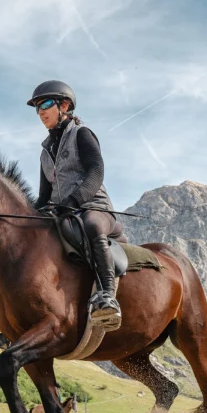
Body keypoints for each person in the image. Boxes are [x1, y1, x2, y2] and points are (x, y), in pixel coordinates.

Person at [28, 80, 121, 327]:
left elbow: (96, 171)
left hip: (95, 209)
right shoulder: (45, 151)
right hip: (63, 213)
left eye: (45, 104)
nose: (40, 112)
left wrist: (73, 201)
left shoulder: (82, 134)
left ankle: (107, 296)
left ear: (65, 105)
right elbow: (43, 195)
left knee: (90, 224)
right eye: (37, 107)